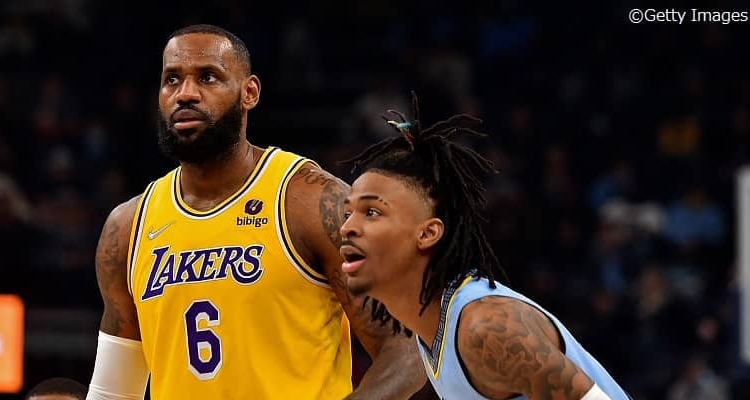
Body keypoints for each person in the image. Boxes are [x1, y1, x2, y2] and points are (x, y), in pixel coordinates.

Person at [85, 24, 432, 400]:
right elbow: (113, 392)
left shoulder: (309, 201)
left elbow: (407, 346)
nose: (186, 93)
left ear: (249, 92)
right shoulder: (128, 227)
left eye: (208, 77)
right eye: (172, 79)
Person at [338, 93, 631, 399]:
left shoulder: (485, 329)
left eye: (372, 212)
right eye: (347, 214)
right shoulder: (432, 325)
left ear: (427, 233)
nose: (347, 228)